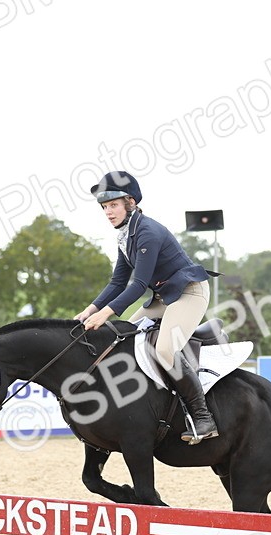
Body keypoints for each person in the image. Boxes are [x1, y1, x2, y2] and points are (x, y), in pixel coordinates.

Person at [75, 170, 219, 444]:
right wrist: (90, 310)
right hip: (164, 298)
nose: (108, 212)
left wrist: (105, 314)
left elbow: (138, 284)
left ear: (131, 202)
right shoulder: (125, 236)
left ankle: (203, 417)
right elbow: (118, 282)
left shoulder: (147, 232)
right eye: (104, 207)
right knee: (124, 334)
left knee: (165, 349)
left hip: (190, 293)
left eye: (113, 205)